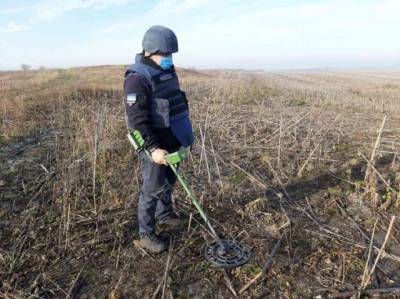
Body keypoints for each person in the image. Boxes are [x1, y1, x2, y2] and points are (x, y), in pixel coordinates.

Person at [123, 25, 194, 253]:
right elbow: (137, 120)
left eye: (170, 54)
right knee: (152, 188)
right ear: (148, 52)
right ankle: (146, 233)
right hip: (154, 146)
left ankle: (165, 214)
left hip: (173, 140)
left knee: (169, 181)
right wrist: (153, 149)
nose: (168, 58)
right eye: (164, 54)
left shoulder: (168, 71)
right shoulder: (136, 79)